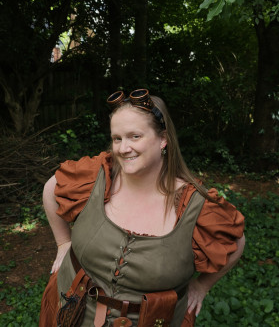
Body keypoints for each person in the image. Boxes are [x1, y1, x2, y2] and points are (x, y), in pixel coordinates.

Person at [39, 89, 245, 327]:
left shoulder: (195, 205)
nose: (123, 148)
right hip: (72, 313)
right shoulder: (98, 177)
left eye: (134, 136)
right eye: (117, 138)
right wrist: (64, 244)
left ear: (163, 139)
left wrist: (202, 285)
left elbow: (237, 243)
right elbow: (50, 188)